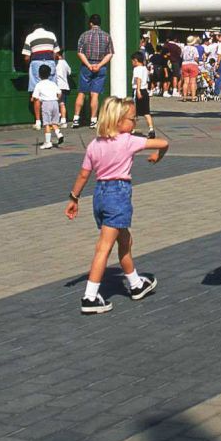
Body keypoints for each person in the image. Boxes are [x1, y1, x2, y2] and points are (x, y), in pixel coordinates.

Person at [65, 96, 168, 314]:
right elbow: (164, 142)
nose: (135, 123)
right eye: (132, 119)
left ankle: (135, 284)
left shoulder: (94, 145)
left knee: (125, 240)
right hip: (118, 195)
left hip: (100, 195)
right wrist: (158, 156)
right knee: (104, 247)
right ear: (119, 121)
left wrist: (74, 198)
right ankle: (90, 297)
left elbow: (84, 175)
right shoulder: (128, 141)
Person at [72, 15, 111, 128]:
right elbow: (110, 53)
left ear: (90, 23)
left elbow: (79, 52)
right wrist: (99, 65)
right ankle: (93, 120)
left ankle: (76, 119)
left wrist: (89, 65)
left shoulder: (84, 35)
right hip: (100, 65)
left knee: (82, 93)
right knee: (95, 94)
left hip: (86, 65)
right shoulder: (107, 36)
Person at [23, 22, 60, 128]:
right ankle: (53, 121)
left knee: (37, 93)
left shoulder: (30, 37)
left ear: (33, 29)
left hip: (36, 63)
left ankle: (38, 121)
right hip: (50, 62)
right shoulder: (51, 35)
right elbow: (56, 53)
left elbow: (26, 57)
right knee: (53, 91)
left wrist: (28, 66)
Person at [130, 52, 157, 138]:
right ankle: (151, 128)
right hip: (145, 91)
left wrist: (137, 90)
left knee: (133, 111)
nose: (132, 63)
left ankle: (131, 129)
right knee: (146, 112)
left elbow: (138, 79)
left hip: (138, 90)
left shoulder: (137, 69)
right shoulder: (145, 69)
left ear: (135, 60)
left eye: (132, 61)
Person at [54, 47, 72, 126]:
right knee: (62, 103)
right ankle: (63, 120)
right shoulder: (65, 63)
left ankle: (57, 119)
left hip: (57, 86)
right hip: (64, 86)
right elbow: (69, 72)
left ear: (57, 54)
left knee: (56, 103)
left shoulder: (55, 63)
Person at [179, 35, 200, 100]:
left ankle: (184, 96)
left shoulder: (184, 48)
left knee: (186, 82)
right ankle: (193, 97)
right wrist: (198, 63)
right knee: (193, 82)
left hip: (185, 64)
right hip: (193, 64)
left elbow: (181, 56)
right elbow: (196, 58)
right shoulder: (194, 48)